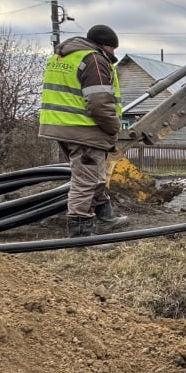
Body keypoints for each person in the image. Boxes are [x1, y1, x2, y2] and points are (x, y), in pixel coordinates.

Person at [38, 25, 129, 238]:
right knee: (85, 180)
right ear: (105, 45)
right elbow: (98, 102)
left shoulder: (61, 58)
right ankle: (80, 233)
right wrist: (113, 127)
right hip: (84, 130)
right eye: (113, 49)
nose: (114, 54)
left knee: (94, 173)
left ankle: (105, 217)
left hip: (60, 125)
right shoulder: (94, 60)